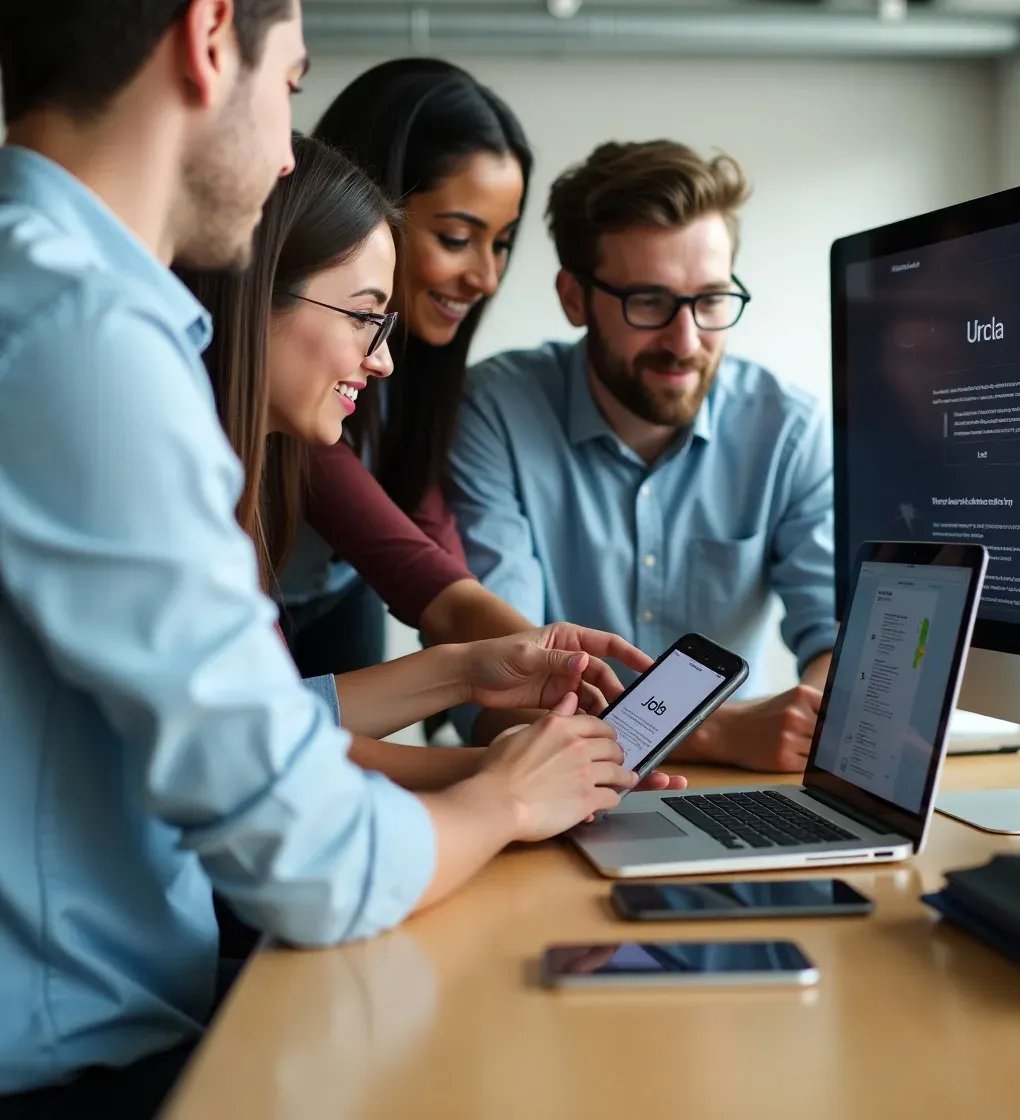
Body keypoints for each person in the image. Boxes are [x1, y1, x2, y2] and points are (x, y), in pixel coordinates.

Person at [0, 5, 638, 1114]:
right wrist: (498, 802)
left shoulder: (49, 299)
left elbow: (208, 726)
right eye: (290, 84)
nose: (290, 152)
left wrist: (463, 676)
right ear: (210, 37)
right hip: (75, 1061)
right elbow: (314, 862)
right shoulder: (84, 340)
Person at [181, 130, 686, 796]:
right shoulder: (179, 494)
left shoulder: (231, 469)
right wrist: (502, 784)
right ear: (257, 291)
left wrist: (469, 672)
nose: (383, 361)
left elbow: (265, 717)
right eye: (363, 316)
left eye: (501, 244)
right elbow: (241, 746)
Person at [447, 140, 838, 772]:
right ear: (575, 298)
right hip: (541, 783)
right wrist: (710, 732)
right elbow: (497, 684)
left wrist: (811, 718)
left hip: (737, 784)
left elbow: (839, 640)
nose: (685, 342)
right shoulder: (494, 412)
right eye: (649, 302)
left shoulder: (788, 430)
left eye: (711, 300)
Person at [275, 58, 537, 680]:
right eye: (456, 238)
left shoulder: (404, 363)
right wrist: (571, 671)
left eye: (501, 242)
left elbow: (428, 532)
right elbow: (417, 570)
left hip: (337, 592)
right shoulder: (297, 377)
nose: (487, 277)